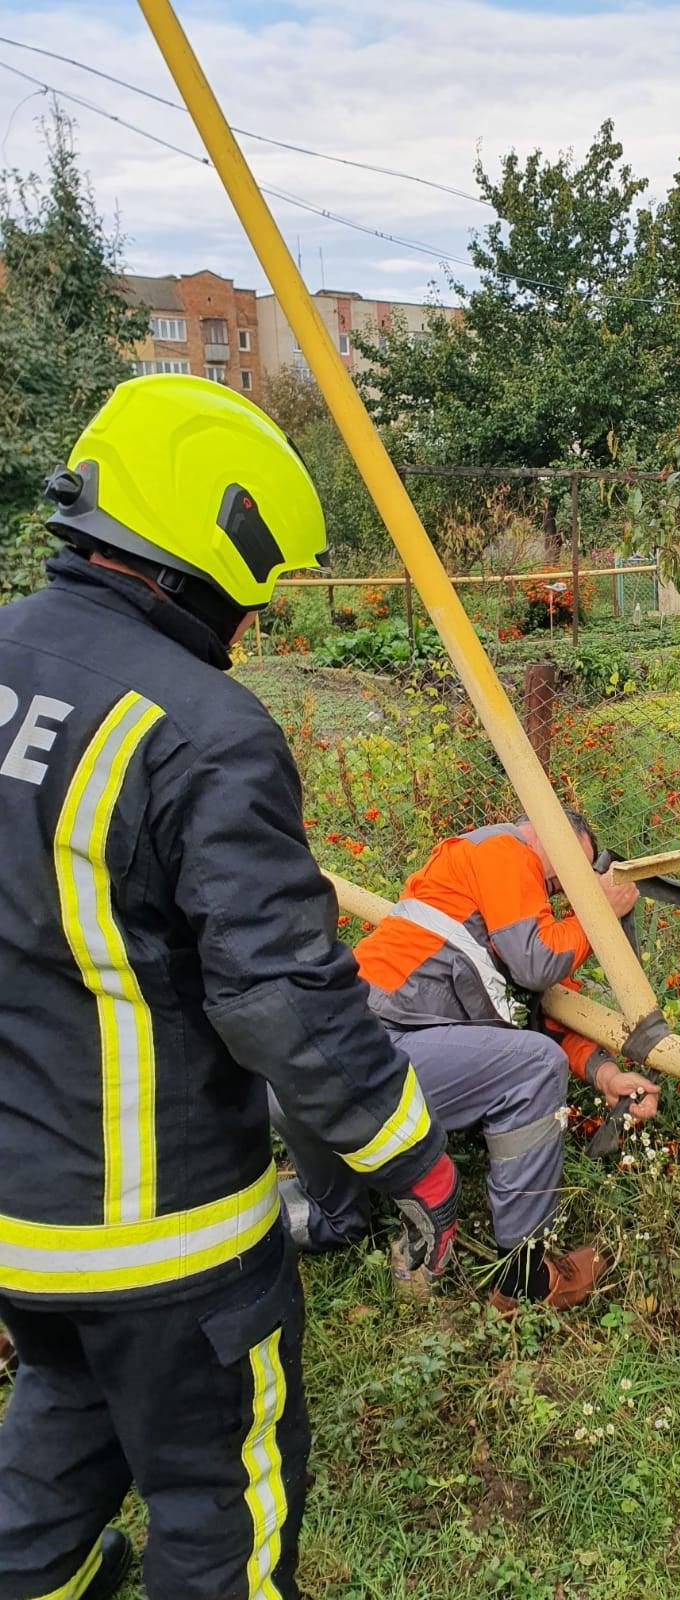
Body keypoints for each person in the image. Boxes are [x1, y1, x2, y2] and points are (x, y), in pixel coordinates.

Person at [0, 374, 459, 1600]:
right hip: (170, 1241)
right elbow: (282, 999)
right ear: (208, 550)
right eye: (247, 592)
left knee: (55, 1437)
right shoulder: (200, 726)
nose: (245, 622)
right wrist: (411, 1156)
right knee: (222, 1510)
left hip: (21, 1224)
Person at [275, 815, 660, 1312]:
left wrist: (603, 1073)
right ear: (544, 833)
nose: (561, 889)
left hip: (306, 1066)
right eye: (567, 873)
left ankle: (263, 1221)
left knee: (340, 1220)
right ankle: (525, 1279)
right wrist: (598, 916)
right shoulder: (505, 850)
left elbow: (529, 1014)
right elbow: (537, 966)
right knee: (538, 1067)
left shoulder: (482, 901)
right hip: (367, 1048)